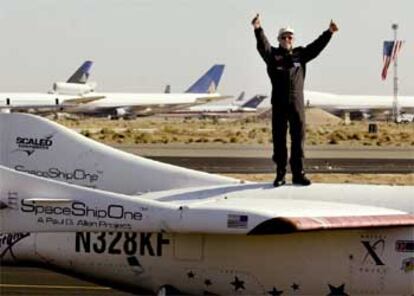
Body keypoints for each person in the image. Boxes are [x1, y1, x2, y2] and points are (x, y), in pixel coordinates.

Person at [251, 14, 338, 187]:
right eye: (283, 37)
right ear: (279, 39)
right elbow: (263, 46)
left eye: (290, 36)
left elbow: (316, 47)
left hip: (297, 104)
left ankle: (298, 174)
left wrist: (329, 32)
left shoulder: (300, 54)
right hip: (279, 104)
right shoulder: (273, 56)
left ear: (293, 39)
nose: (287, 39)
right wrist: (258, 29)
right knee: (279, 140)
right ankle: (280, 174)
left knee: (298, 139)